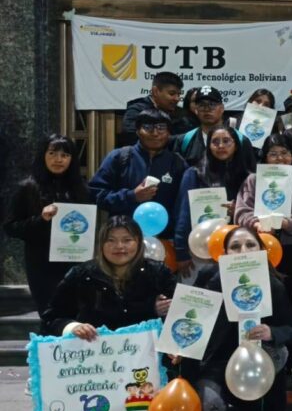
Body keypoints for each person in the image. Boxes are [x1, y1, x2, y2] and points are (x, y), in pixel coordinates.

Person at [186, 226, 292, 411]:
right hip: (217, 364)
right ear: (224, 254)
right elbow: (190, 321)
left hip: (258, 366)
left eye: (250, 245)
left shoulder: (273, 285)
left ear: (261, 250)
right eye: (235, 247)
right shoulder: (209, 278)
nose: (243, 251)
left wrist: (272, 332)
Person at [42, 217, 175, 338]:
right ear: (101, 244)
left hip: (147, 353)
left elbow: (179, 317)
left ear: (139, 243)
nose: (119, 246)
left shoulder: (158, 273)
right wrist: (73, 327)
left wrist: (163, 311)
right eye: (111, 240)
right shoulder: (80, 274)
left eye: (127, 240)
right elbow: (51, 319)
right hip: (94, 352)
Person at [5, 135, 91, 315]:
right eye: (52, 153)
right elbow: (10, 226)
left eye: (65, 155)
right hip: (42, 265)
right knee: (50, 314)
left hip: (75, 261)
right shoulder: (27, 187)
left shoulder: (81, 189)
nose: (58, 159)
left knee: (75, 316)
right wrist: (41, 219)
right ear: (42, 155)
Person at [234, 134, 292, 301]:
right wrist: (257, 224)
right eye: (273, 154)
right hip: (259, 248)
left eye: (284, 152)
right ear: (265, 157)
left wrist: (286, 223)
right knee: (260, 297)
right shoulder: (253, 180)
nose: (280, 158)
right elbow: (241, 212)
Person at [89, 109, 188, 239]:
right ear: (137, 131)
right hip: (124, 237)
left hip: (165, 239)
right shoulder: (119, 157)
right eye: (148, 127)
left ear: (169, 132)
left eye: (161, 128)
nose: (155, 133)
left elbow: (185, 204)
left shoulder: (177, 162)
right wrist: (131, 196)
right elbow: (96, 195)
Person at [174, 126, 255, 276]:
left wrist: (238, 211)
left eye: (226, 141)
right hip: (200, 249)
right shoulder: (194, 174)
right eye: (215, 142)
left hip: (239, 250)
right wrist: (181, 252)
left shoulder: (248, 177)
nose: (221, 146)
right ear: (209, 146)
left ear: (236, 145)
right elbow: (182, 215)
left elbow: (257, 216)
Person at [174, 87, 257, 168]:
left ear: (222, 108)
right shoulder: (184, 141)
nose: (207, 109)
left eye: (212, 104)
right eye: (202, 105)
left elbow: (250, 173)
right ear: (196, 110)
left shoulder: (241, 140)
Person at [119, 71, 189, 145]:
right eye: (172, 94)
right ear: (155, 91)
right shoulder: (136, 111)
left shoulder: (180, 113)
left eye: (179, 94)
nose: (177, 99)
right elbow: (132, 138)